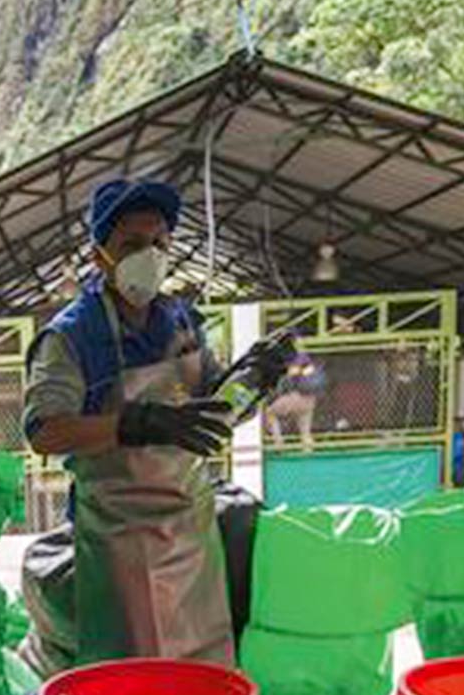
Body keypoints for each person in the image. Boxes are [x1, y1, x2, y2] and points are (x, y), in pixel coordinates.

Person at [23, 178, 235, 665]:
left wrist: (257, 379)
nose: (151, 256)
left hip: (191, 528)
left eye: (160, 244)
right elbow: (45, 431)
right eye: (133, 245)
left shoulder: (182, 321)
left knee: (202, 663)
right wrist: (135, 423)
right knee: (135, 672)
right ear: (100, 257)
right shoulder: (73, 336)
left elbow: (221, 408)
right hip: (120, 541)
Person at [263, 349, 325, 451]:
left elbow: (290, 375)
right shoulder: (306, 358)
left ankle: (279, 444)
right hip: (310, 400)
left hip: (297, 397)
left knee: (269, 412)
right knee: (305, 429)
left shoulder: (295, 358)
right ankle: (308, 449)